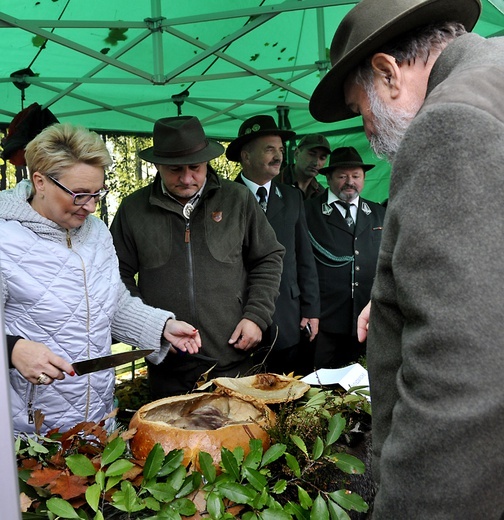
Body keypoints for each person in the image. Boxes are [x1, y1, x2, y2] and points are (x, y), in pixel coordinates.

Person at [309, 0, 504, 518]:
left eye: (360, 110)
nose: (369, 134)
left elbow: (463, 376)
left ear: (387, 72)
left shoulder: (451, 125)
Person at [1, 123, 201, 436]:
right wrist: (12, 350)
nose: (91, 206)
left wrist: (159, 326)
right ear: (39, 181)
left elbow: (112, 303)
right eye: (79, 194)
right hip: (29, 434)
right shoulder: (4, 239)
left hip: (98, 422)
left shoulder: (96, 233)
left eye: (97, 193)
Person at [110, 116, 284, 398]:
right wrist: (151, 325)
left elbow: (268, 257)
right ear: (157, 165)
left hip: (233, 359)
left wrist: (256, 316)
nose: (187, 178)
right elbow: (116, 275)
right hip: (166, 366)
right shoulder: (134, 210)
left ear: (207, 162)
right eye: (175, 169)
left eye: (195, 167)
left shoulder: (237, 199)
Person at [226, 115, 320, 375]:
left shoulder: (292, 197)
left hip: (287, 316)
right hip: (240, 317)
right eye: (269, 149)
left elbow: (304, 256)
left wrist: (311, 309)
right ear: (246, 156)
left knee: (289, 394)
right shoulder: (224, 199)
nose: (278, 156)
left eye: (280, 150)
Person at [304, 146, 385, 369]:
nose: (350, 182)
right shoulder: (307, 212)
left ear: (364, 178)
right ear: (328, 178)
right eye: (342, 176)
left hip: (368, 321)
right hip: (324, 321)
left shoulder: (379, 213)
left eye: (356, 176)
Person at [278, 134, 330, 199]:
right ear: (296, 154)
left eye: (322, 158)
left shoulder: (321, 194)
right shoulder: (274, 183)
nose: (316, 163)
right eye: (312, 154)